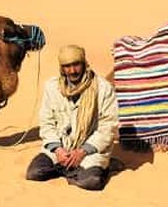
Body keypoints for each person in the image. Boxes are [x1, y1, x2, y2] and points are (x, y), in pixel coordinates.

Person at [26, 44, 118, 191]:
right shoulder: (52, 87)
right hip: (61, 149)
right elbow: (46, 122)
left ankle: (97, 169)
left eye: (76, 65)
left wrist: (82, 151)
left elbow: (108, 127)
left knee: (92, 182)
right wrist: (58, 150)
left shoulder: (103, 88)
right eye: (67, 66)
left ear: (84, 64)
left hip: (89, 150)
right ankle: (71, 170)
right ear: (62, 68)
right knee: (34, 173)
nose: (72, 70)